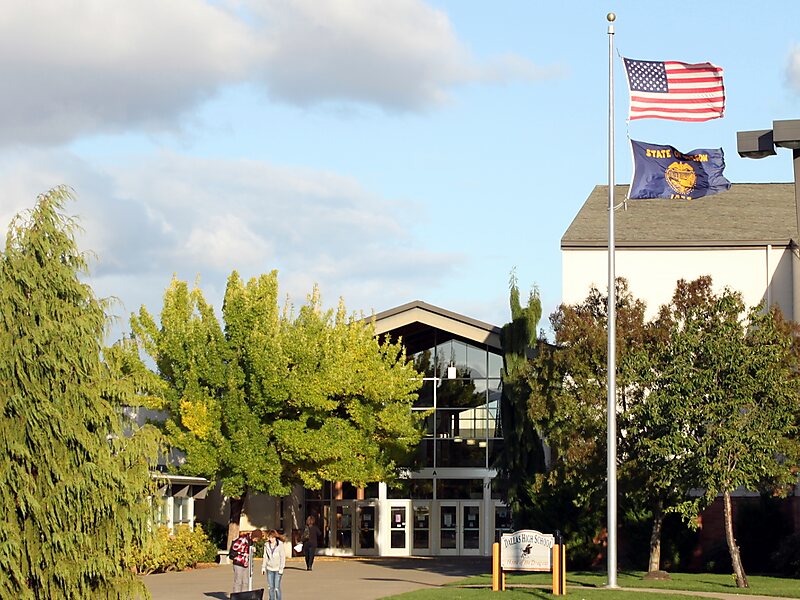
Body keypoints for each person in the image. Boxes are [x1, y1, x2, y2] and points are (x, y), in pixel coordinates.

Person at [260, 529, 286, 600]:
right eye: (270, 537)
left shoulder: (280, 545)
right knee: (270, 587)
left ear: (275, 537)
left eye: (272, 537)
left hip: (277, 569)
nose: (271, 539)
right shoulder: (266, 545)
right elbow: (265, 557)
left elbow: (282, 557)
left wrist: (281, 568)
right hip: (269, 569)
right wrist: (263, 567)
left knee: (276, 587)